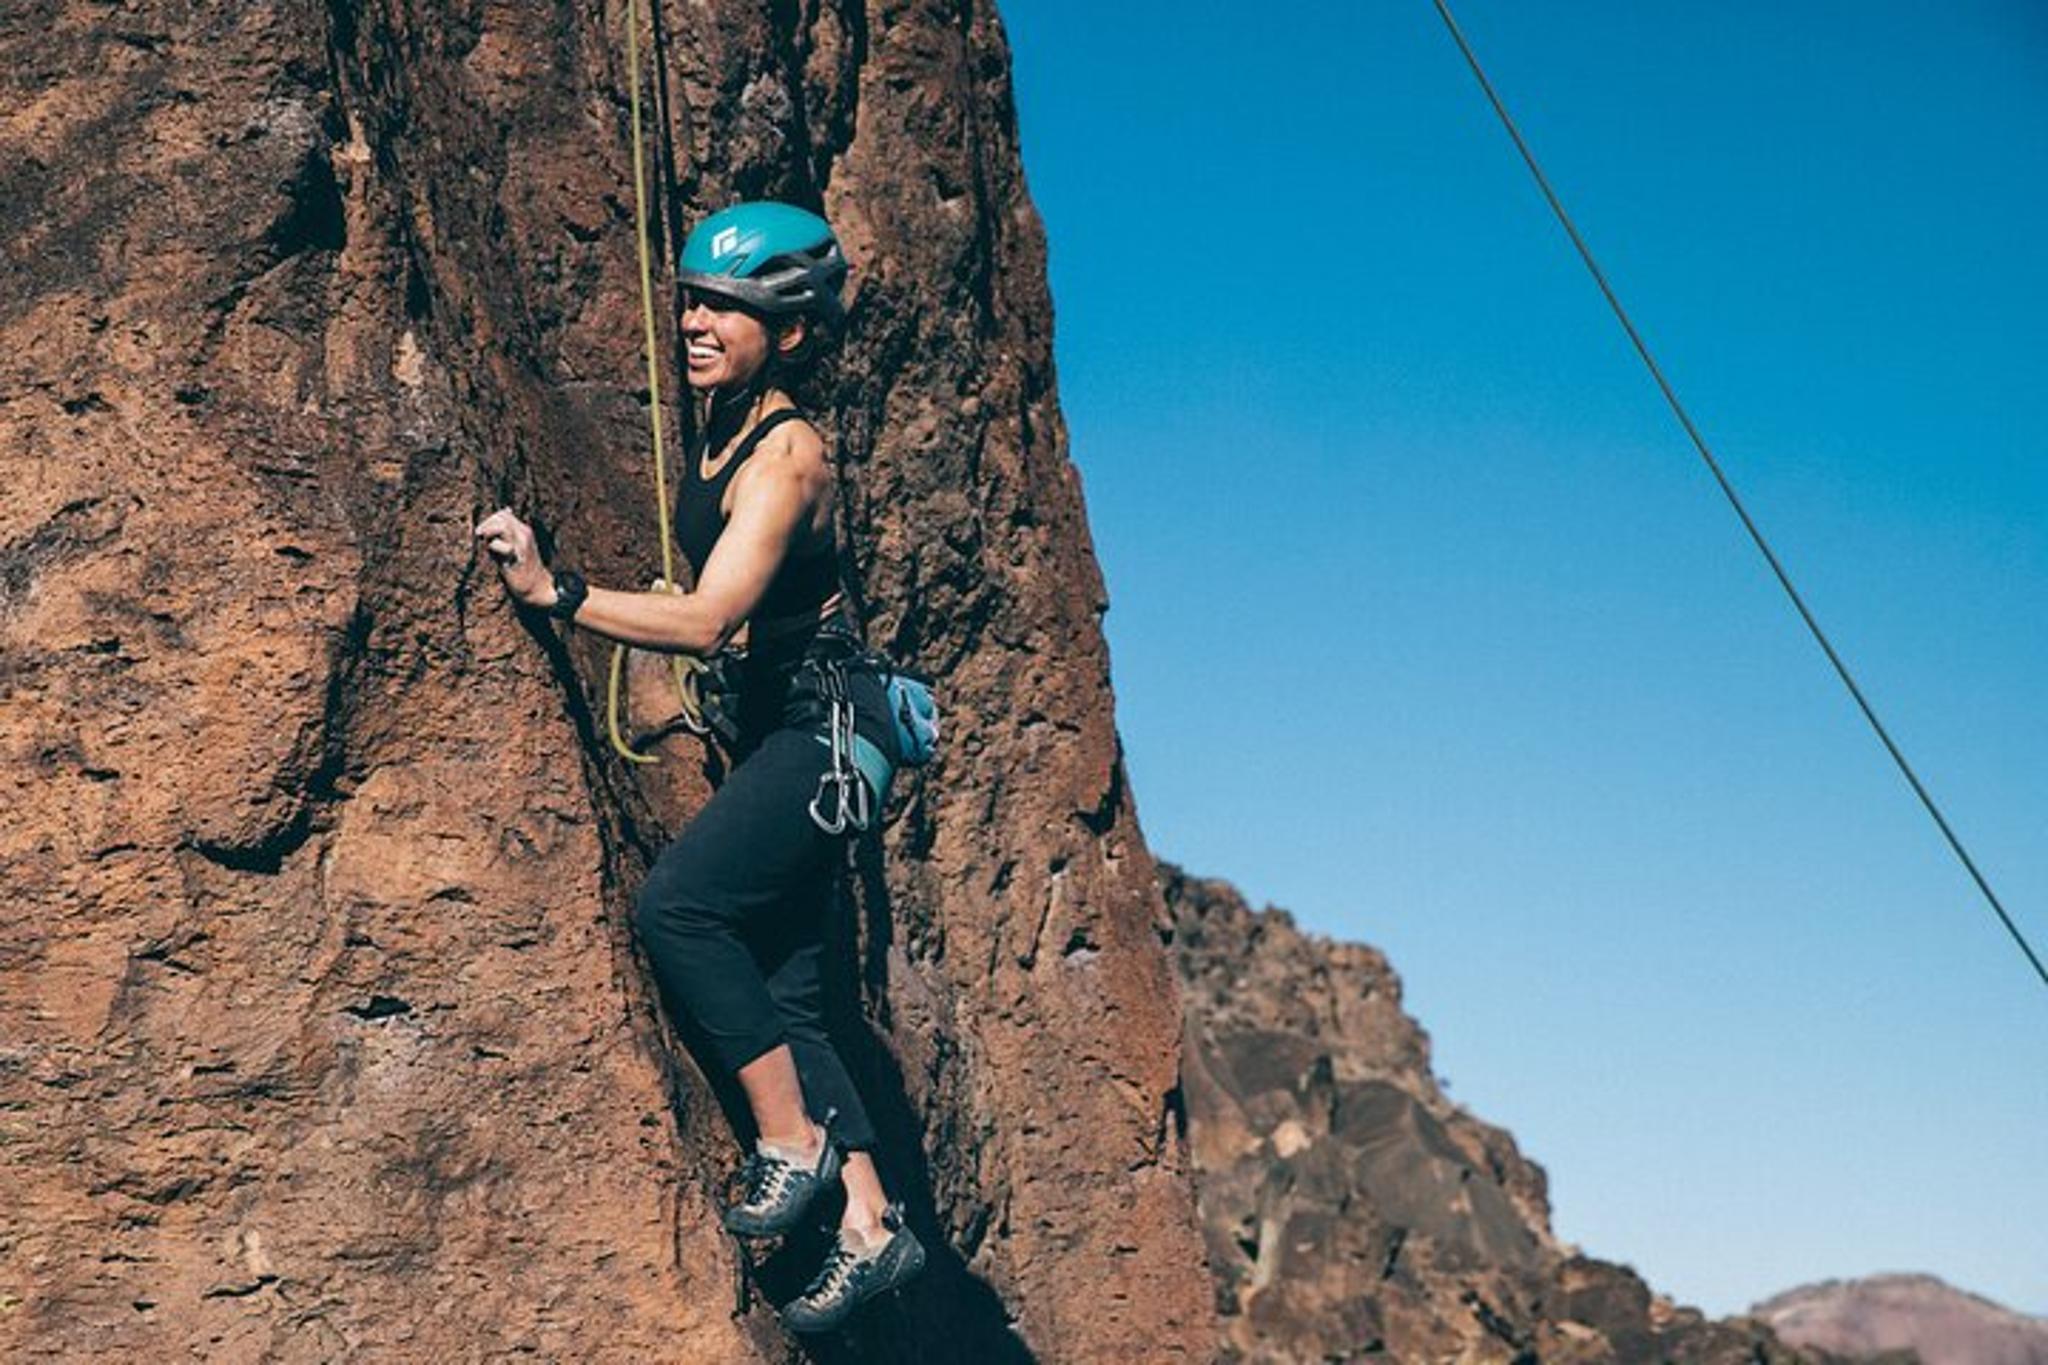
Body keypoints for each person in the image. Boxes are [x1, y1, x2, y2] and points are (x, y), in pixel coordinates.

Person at [473, 201, 925, 1333]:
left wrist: (558, 593)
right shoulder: (726, 423)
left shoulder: (787, 454)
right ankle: (872, 1222)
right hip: (790, 726)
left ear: (791, 332)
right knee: (788, 988)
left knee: (679, 909)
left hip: (821, 729)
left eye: (727, 306)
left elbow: (714, 615)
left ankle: (793, 1143)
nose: (694, 321)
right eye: (692, 300)